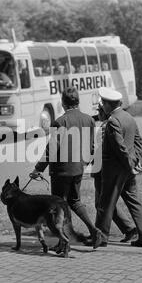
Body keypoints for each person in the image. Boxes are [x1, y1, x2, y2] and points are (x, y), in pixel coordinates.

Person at [30, 87, 101, 246]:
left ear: (63, 103)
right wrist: (84, 163)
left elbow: (51, 150)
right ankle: (94, 231)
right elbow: (91, 147)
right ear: (78, 101)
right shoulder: (89, 119)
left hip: (61, 172)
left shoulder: (60, 122)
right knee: (75, 201)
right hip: (77, 169)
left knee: (59, 206)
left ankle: (63, 242)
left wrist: (38, 169)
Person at [93, 87, 142, 248]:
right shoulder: (129, 117)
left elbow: (120, 148)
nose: (102, 107)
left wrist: (130, 165)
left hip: (114, 170)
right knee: (134, 202)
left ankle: (100, 237)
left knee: (105, 204)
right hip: (128, 168)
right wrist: (136, 161)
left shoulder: (113, 121)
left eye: (103, 103)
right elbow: (138, 142)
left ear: (107, 105)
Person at [88, 102, 138, 245]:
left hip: (102, 170)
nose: (98, 113)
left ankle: (100, 236)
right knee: (106, 203)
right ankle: (128, 229)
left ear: (104, 112)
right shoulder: (106, 124)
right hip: (103, 169)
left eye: (99, 110)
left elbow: (101, 150)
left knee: (102, 203)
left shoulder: (105, 127)